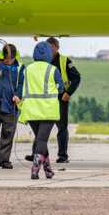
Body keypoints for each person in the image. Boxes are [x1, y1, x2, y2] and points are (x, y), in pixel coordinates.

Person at [23, 37, 81, 163]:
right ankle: (36, 154)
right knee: (41, 130)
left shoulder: (65, 61)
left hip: (60, 99)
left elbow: (76, 77)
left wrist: (68, 92)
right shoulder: (41, 62)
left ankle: (62, 156)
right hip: (44, 100)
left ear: (56, 47)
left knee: (62, 128)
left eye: (50, 47)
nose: (48, 50)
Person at [15, 41, 64, 180]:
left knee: (40, 140)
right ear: (49, 54)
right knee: (42, 140)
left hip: (31, 111)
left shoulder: (26, 69)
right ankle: (35, 170)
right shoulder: (53, 70)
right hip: (48, 111)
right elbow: (60, 89)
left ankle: (48, 170)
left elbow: (20, 86)